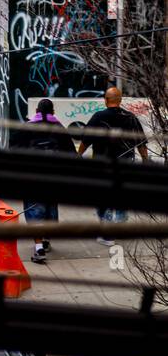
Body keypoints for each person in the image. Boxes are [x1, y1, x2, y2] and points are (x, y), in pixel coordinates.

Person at [77, 87, 148, 246]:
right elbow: (141, 143)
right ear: (120, 100)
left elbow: (85, 141)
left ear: (106, 100)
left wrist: (78, 156)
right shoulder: (130, 117)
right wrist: (145, 161)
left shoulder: (98, 117)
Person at [10, 98, 76, 263]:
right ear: (53, 112)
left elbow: (13, 150)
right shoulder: (59, 129)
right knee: (50, 210)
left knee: (34, 213)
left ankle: (39, 248)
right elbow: (71, 155)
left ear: (37, 112)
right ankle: (45, 240)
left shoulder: (27, 128)